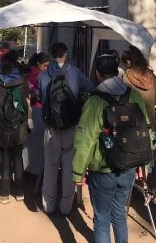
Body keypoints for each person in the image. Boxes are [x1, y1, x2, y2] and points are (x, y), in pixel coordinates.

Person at [72, 54, 150, 243]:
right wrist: (144, 163)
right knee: (119, 215)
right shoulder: (134, 95)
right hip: (129, 166)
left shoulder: (95, 101)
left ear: (97, 73)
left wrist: (77, 172)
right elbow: (145, 130)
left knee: (101, 219)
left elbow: (85, 139)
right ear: (117, 72)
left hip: (103, 169)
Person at [38, 41, 94, 215]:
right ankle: (65, 207)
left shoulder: (43, 75)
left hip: (51, 127)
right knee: (69, 167)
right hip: (71, 127)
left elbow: (42, 98)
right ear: (66, 53)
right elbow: (91, 88)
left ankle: (48, 205)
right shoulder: (75, 73)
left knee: (50, 166)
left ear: (51, 54)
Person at [0, 50, 31, 204]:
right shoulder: (23, 82)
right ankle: (20, 192)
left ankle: (4, 193)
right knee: (18, 156)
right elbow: (26, 103)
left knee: (5, 158)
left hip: (4, 126)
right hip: (19, 125)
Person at [121, 45, 156, 136]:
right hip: (151, 124)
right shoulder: (152, 76)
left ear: (129, 61)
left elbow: (123, 101)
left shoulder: (126, 77)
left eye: (125, 64)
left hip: (133, 125)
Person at [26, 52, 49, 175]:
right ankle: (33, 170)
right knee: (36, 140)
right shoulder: (34, 74)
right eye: (45, 66)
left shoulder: (38, 73)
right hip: (36, 109)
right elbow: (31, 91)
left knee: (35, 140)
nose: (47, 68)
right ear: (38, 64)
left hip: (38, 108)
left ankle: (32, 169)